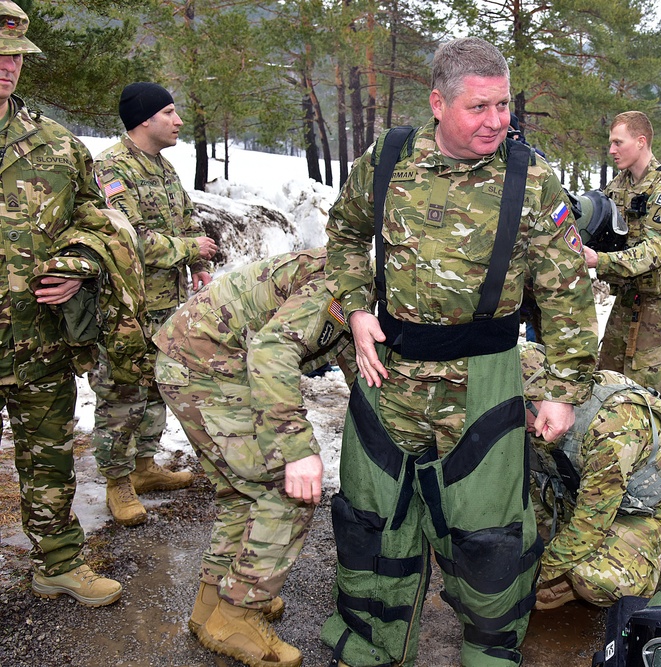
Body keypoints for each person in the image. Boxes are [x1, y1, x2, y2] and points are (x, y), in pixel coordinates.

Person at [320, 37, 599, 667]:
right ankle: (371, 648)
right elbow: (342, 235)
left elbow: (567, 293)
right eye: (480, 107)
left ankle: (490, 655)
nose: (497, 121)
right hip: (387, 374)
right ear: (438, 103)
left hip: (486, 381)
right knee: (371, 526)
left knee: (489, 538)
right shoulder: (387, 158)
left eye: (503, 106)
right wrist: (355, 309)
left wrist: (562, 391)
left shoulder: (530, 178)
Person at [154, 248, 354, 667]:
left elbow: (352, 354)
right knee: (286, 493)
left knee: (240, 493)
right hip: (209, 368)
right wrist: (295, 449)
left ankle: (213, 602)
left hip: (193, 361)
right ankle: (236, 616)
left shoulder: (353, 278)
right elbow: (272, 351)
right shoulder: (343, 284)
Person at [0, 0, 122, 606]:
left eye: (16, 56)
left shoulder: (56, 145)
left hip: (35, 340)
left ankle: (56, 564)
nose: (6, 67)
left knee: (48, 460)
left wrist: (78, 266)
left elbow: (97, 220)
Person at [92, 81, 219, 526]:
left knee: (155, 385)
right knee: (120, 392)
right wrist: (190, 249)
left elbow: (186, 216)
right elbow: (128, 239)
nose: (178, 120)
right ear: (144, 118)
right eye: (168, 112)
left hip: (167, 305)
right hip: (126, 310)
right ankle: (117, 481)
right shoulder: (111, 168)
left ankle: (144, 467)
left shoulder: (162, 168)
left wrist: (197, 264)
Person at [520, 343, 661, 610]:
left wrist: (533, 575)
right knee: (518, 539)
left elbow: (590, 525)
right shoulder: (542, 413)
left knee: (598, 578)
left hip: (646, 510)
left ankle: (642, 580)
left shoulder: (612, 426)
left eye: (522, 410)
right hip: (582, 493)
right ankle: (566, 578)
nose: (521, 423)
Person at [583, 111, 661, 395]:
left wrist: (600, 260)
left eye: (618, 142)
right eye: (611, 143)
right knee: (608, 375)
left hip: (657, 302)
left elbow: (654, 252)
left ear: (641, 141)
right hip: (627, 296)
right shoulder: (619, 185)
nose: (612, 150)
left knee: (645, 386)